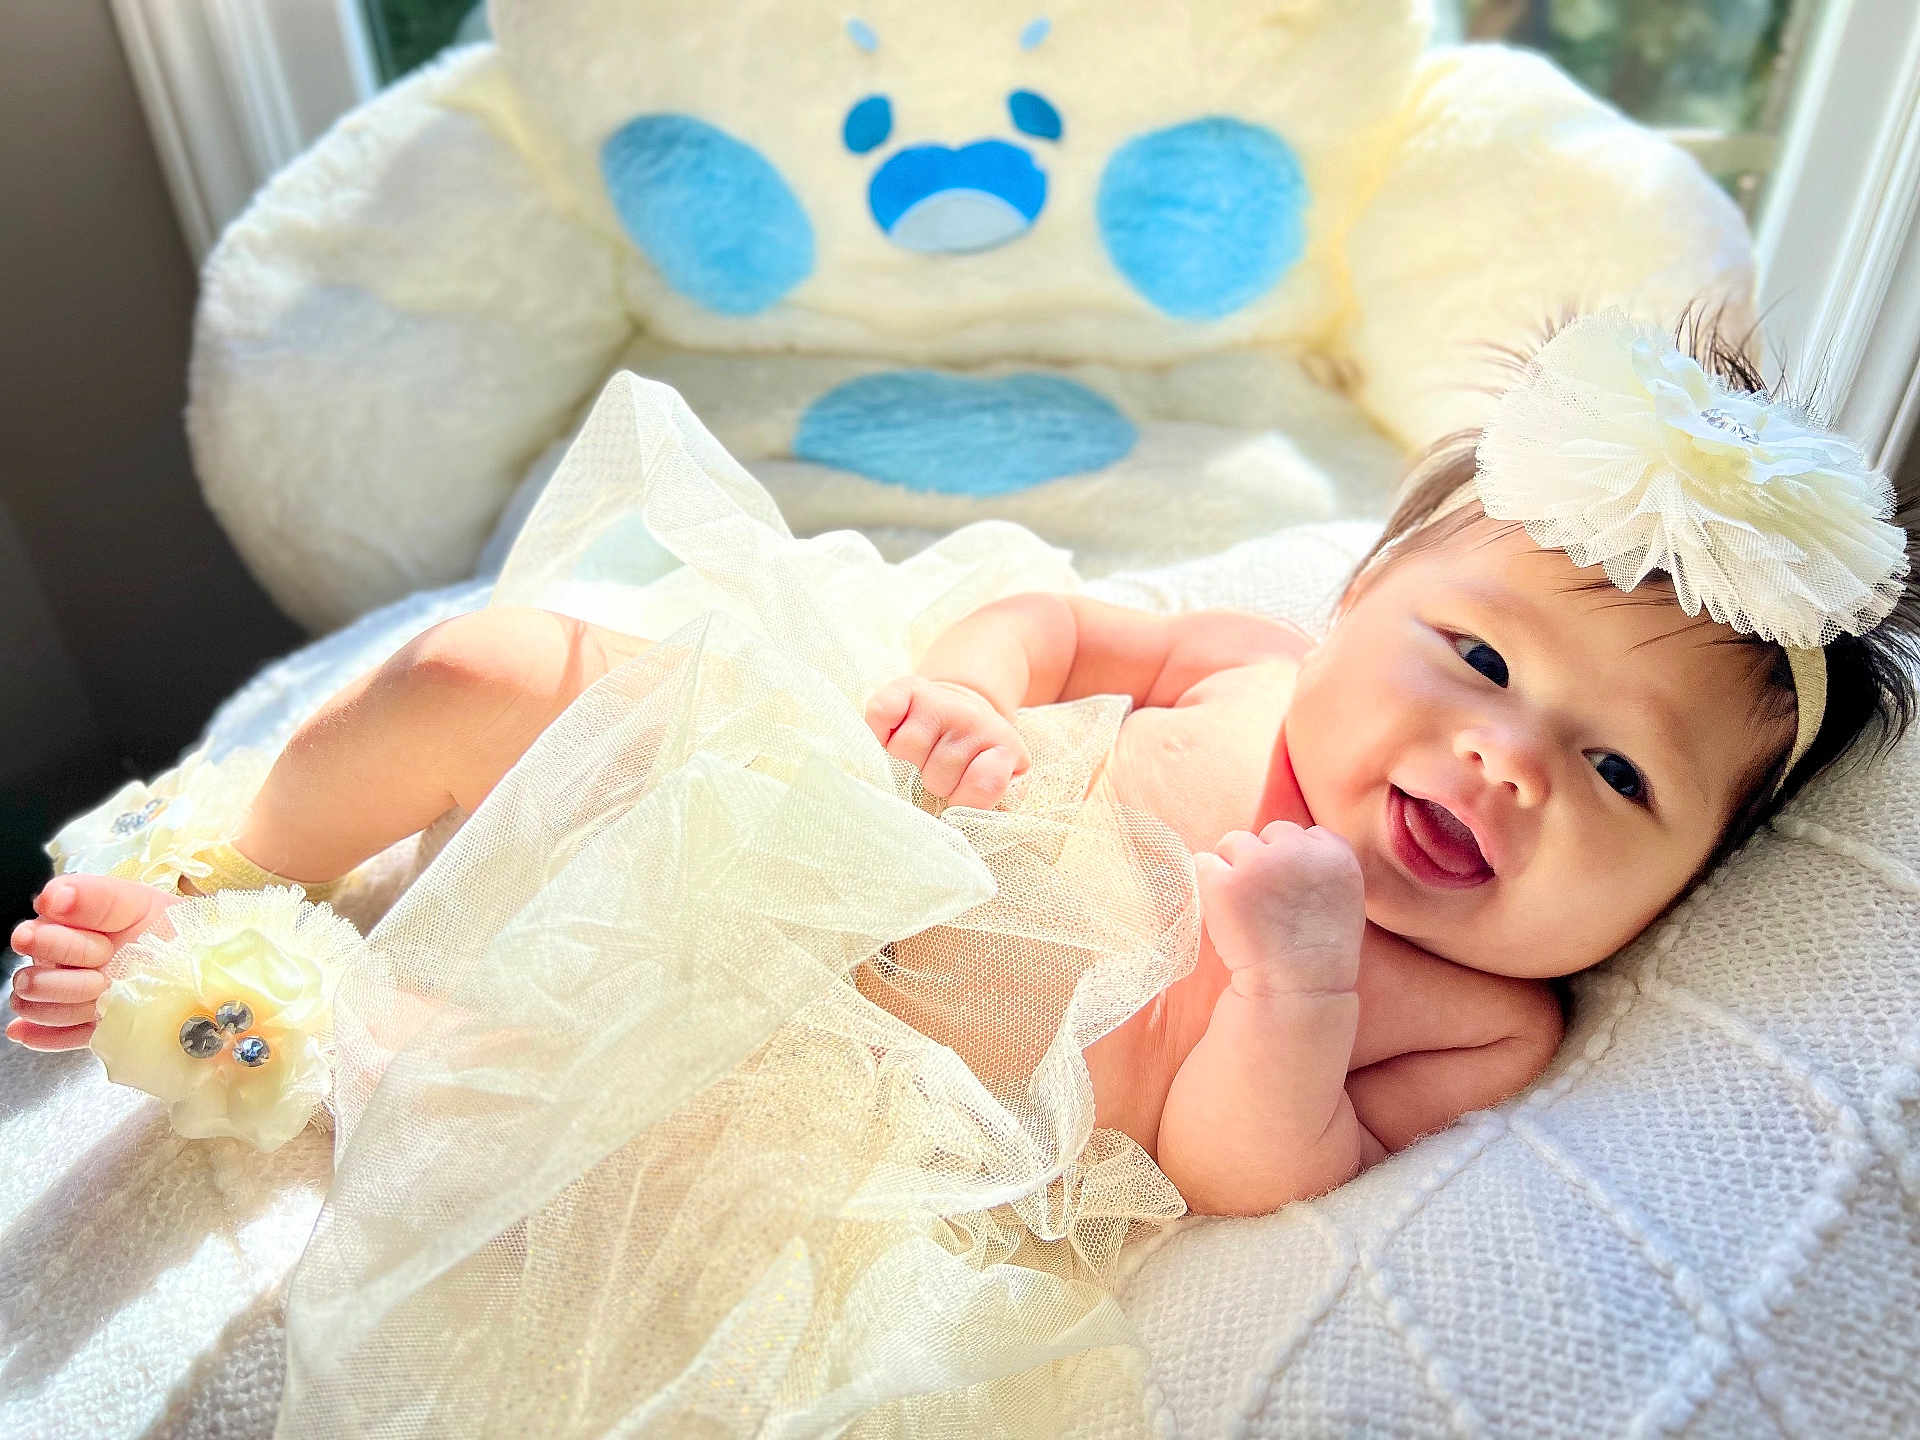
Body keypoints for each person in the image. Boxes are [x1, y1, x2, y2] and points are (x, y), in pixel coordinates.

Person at [7, 311, 1916, 1224]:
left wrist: (1295, 985)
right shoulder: (1254, 672)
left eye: (1618, 777)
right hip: (800, 805)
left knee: (510, 1127)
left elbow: (1265, 1176)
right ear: (1355, 609)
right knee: (479, 663)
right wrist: (974, 689)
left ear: (1696, 883)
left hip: (832, 1084)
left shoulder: (1472, 1020)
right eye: (1478, 658)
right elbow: (1070, 628)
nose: (1503, 760)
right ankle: (248, 855)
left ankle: (291, 1009)